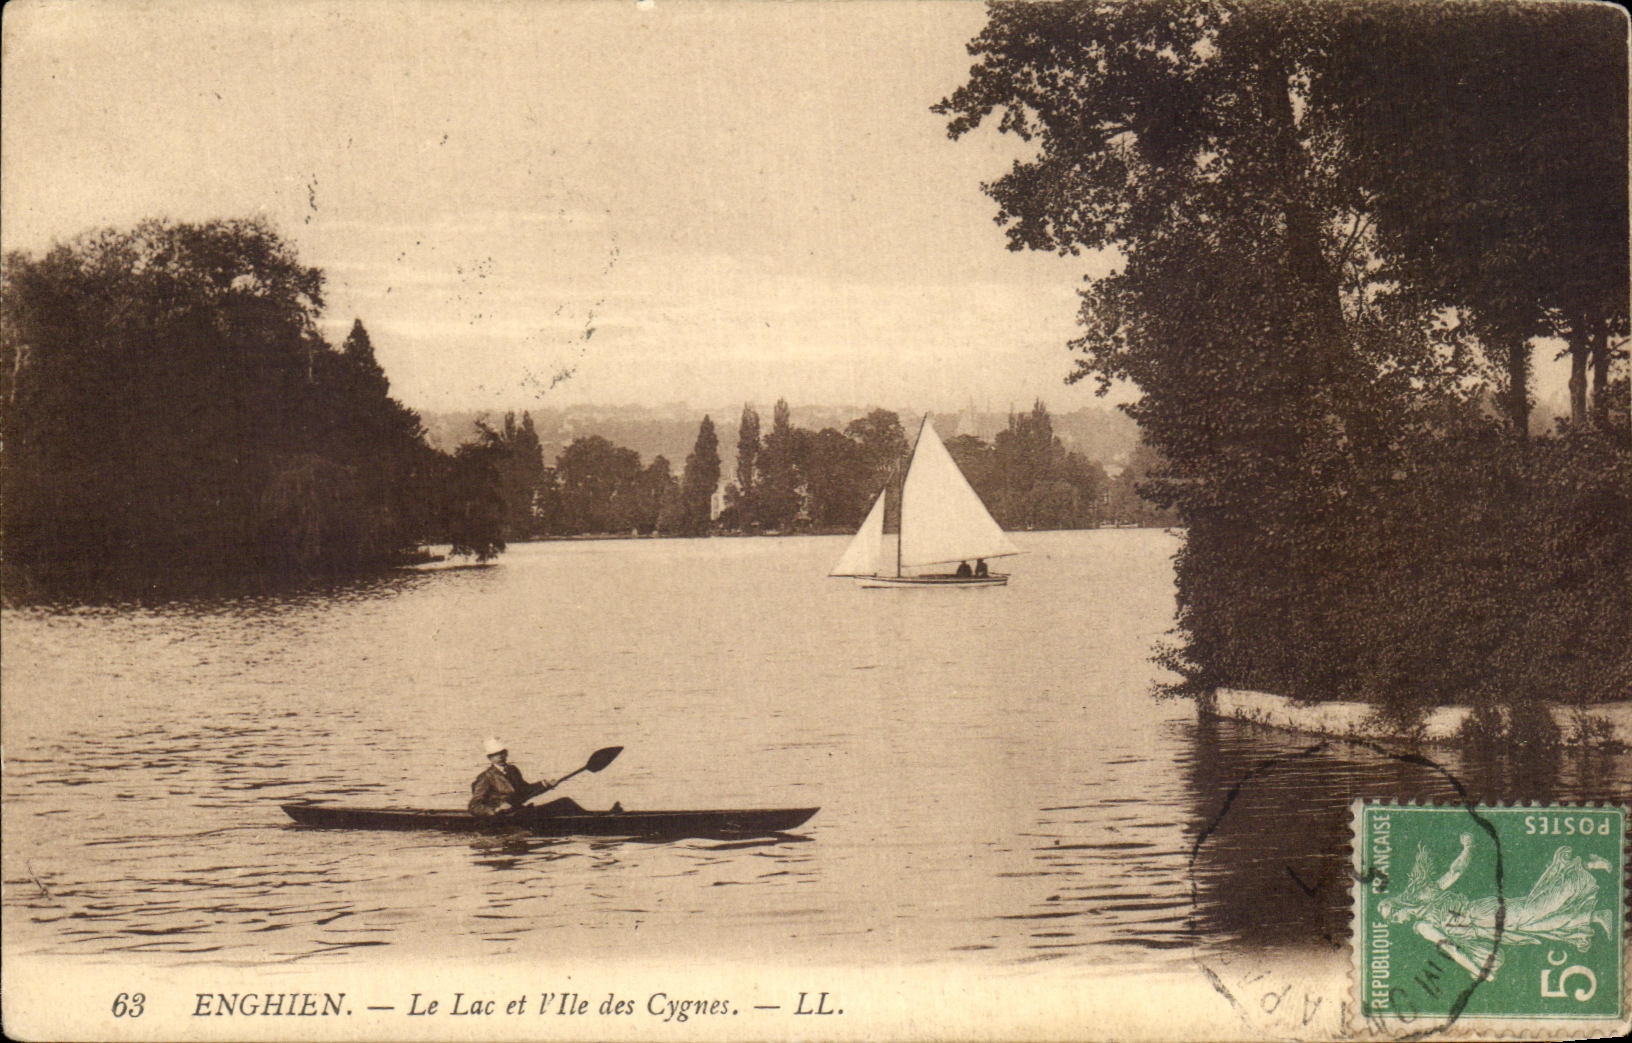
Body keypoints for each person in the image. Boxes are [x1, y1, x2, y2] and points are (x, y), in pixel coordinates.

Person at [469, 737, 553, 816]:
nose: (500, 756)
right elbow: (474, 806)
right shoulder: (485, 777)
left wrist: (544, 784)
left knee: (564, 802)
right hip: (503, 815)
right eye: (495, 754)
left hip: (518, 811)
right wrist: (495, 809)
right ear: (489, 758)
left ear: (506, 754)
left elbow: (524, 790)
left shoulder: (513, 770)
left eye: (502, 753)